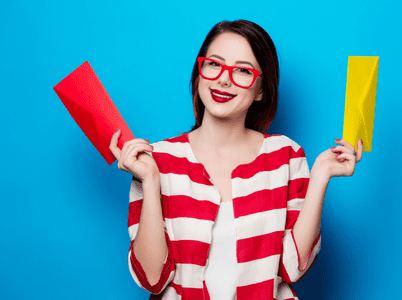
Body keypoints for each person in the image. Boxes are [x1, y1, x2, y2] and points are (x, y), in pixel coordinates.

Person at [110, 20, 363, 300]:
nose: (223, 79)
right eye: (214, 64)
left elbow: (293, 268)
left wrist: (320, 176)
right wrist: (150, 180)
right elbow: (153, 279)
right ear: (199, 74)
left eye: (242, 70)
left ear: (261, 90)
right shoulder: (157, 160)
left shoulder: (285, 157)